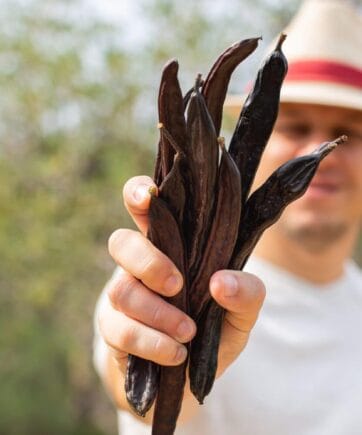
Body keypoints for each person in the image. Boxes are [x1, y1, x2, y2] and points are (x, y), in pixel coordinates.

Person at [94, 0, 362, 433]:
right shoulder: (156, 277)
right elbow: (137, 392)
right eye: (295, 127)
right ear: (254, 133)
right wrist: (152, 361)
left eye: (350, 134)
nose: (320, 152)